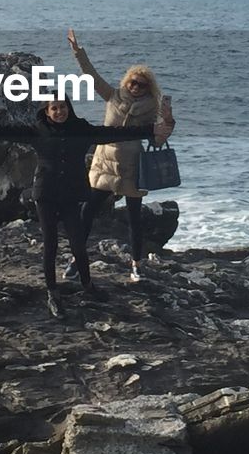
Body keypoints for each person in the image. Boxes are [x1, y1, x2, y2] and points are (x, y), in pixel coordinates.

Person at [0, 99, 161, 319]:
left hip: (70, 195)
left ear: (69, 108)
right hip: (46, 195)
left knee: (78, 242)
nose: (60, 112)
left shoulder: (81, 130)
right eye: (54, 108)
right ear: (47, 112)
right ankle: (53, 292)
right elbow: (4, 131)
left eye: (63, 107)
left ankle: (87, 284)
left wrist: (150, 130)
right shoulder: (38, 132)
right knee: (51, 244)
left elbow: (115, 132)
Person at [66, 28, 175, 283]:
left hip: (132, 167)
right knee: (87, 212)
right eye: (132, 82)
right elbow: (91, 76)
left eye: (141, 84)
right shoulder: (113, 95)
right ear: (126, 81)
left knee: (134, 218)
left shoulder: (152, 107)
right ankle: (76, 260)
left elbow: (159, 137)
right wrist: (78, 53)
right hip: (105, 163)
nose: (135, 87)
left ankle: (136, 265)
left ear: (149, 87)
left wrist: (169, 119)